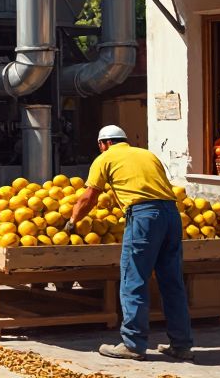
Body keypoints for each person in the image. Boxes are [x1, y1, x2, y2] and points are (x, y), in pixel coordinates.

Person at [69, 125, 193, 362]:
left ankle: (133, 344)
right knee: (172, 282)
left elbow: (89, 197)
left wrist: (72, 221)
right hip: (171, 215)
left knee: (133, 280)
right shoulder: (147, 154)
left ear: (104, 143)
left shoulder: (105, 158)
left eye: (100, 145)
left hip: (143, 217)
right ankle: (182, 345)